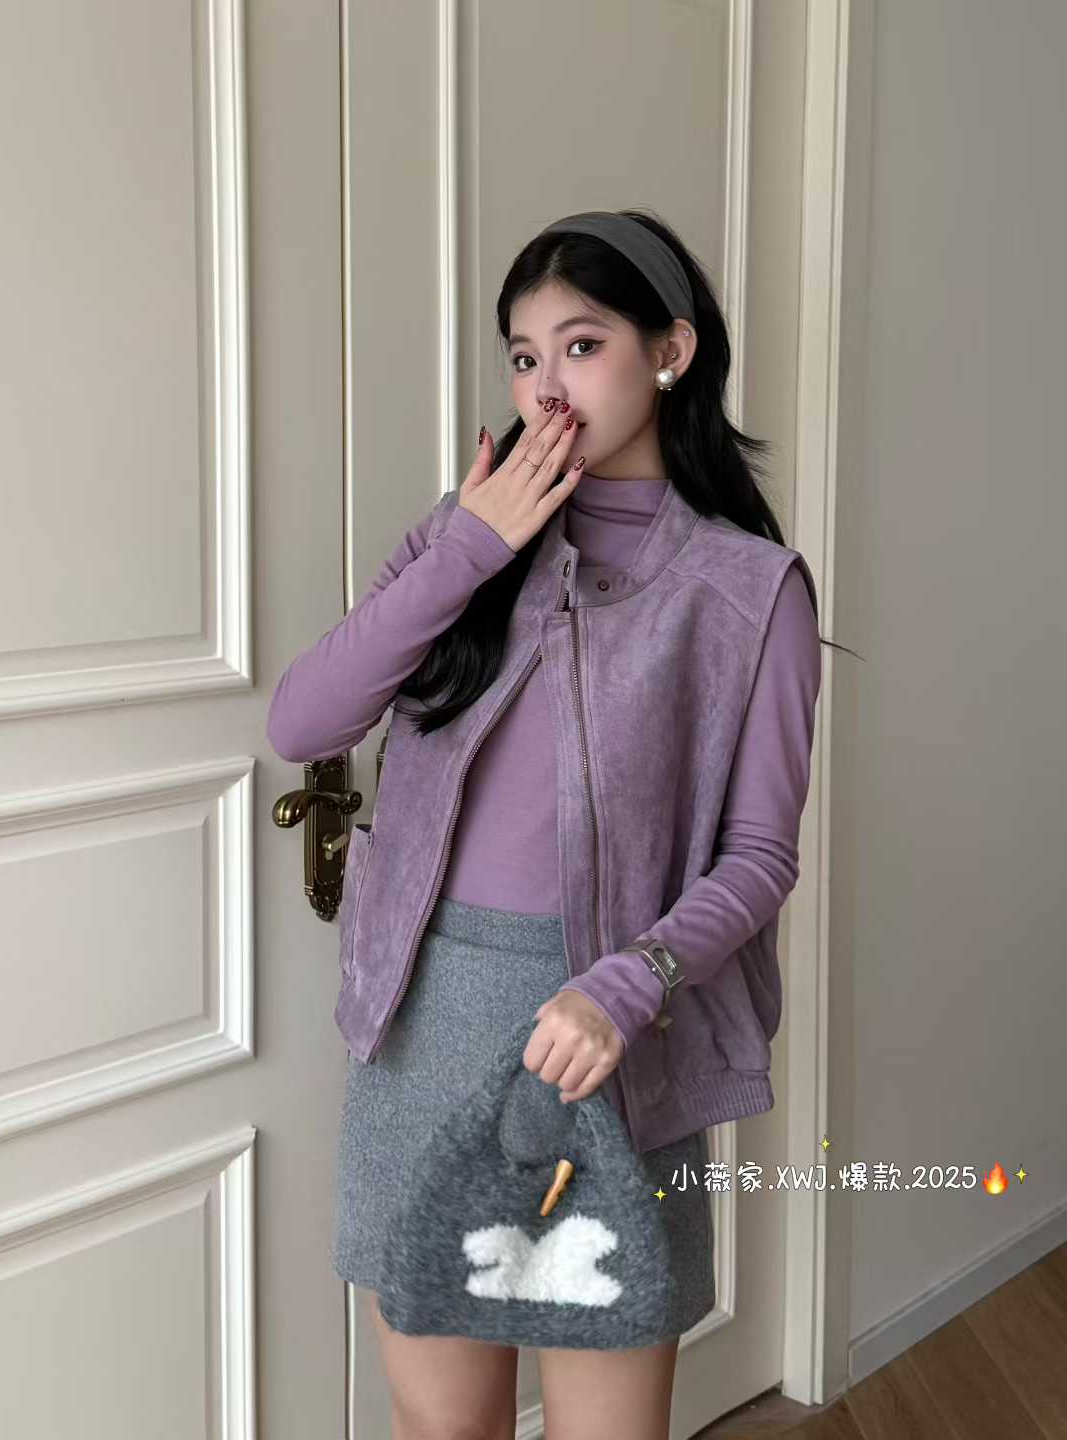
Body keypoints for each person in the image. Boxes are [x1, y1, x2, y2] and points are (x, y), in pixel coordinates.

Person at [267, 209, 834, 1440]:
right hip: (422, 1027)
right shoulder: (464, 538)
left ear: (671, 350)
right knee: (443, 1429)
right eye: (524, 357)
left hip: (608, 1042)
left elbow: (760, 856)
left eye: (582, 345)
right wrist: (472, 548)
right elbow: (302, 719)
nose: (546, 387)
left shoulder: (749, 591)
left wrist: (628, 986)